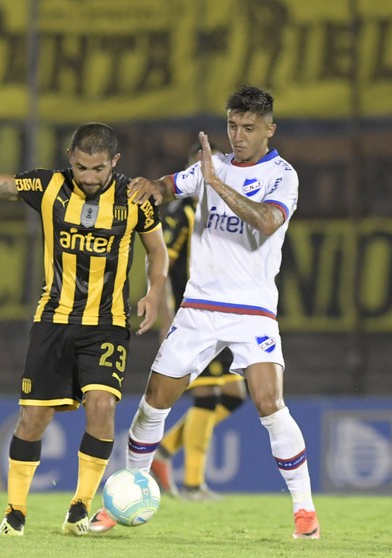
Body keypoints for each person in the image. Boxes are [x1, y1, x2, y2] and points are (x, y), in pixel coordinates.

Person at [0, 100, 168, 537]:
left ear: (116, 162)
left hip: (108, 322)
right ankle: (15, 511)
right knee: (33, 417)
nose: (89, 177)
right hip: (53, 318)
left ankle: (80, 507)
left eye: (98, 168)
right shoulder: (49, 186)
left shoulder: (135, 199)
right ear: (69, 159)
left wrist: (154, 291)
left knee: (103, 405)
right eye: (81, 167)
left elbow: (158, 253)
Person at [90, 85, 320, 539]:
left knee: (269, 403)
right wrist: (148, 188)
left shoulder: (282, 176)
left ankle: (305, 512)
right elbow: (168, 187)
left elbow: (267, 221)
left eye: (249, 128)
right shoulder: (210, 168)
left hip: (252, 310)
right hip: (198, 307)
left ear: (269, 129)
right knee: (155, 399)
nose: (238, 136)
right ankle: (124, 497)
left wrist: (215, 183)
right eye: (232, 126)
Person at [150, 140, 247, 501]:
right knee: (206, 393)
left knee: (237, 392)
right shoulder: (181, 214)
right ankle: (193, 483)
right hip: (195, 318)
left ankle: (163, 453)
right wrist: (167, 318)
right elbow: (160, 265)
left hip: (227, 316)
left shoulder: (224, 214)